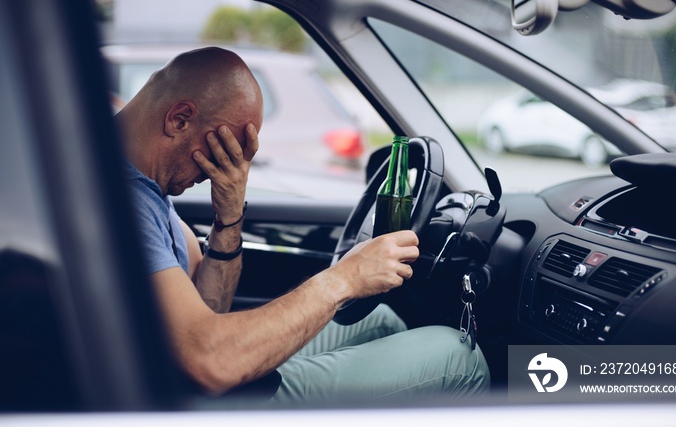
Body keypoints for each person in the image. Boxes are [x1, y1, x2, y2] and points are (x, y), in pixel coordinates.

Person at [116, 46, 489, 404]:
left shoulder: (150, 191)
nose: (231, 166)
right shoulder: (123, 204)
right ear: (179, 119)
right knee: (460, 358)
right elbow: (211, 361)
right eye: (228, 149)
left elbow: (210, 307)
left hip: (195, 374)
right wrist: (344, 278)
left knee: (382, 319)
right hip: (198, 408)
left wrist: (228, 216)